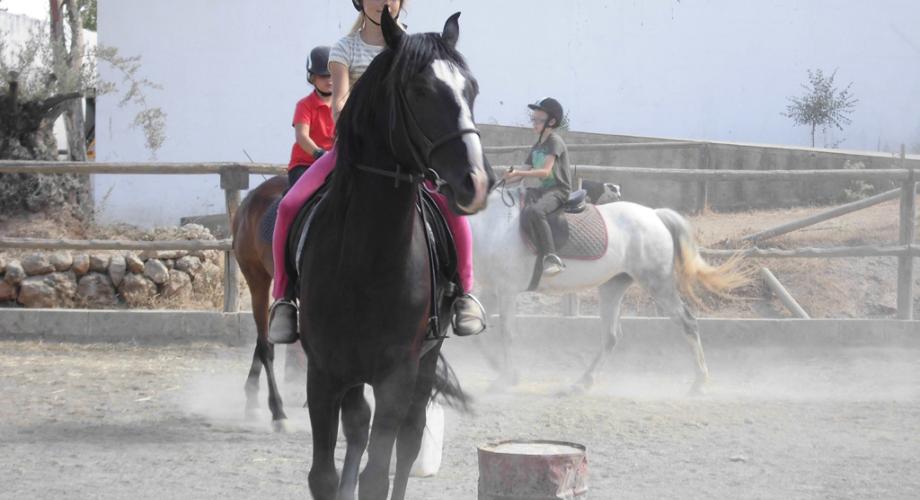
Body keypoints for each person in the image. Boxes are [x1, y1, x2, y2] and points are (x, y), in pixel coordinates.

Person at [268, 0, 486, 343]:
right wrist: (360, 129)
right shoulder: (345, 49)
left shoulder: (415, 49)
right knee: (289, 205)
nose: (384, 0)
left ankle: (465, 293)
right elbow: (339, 101)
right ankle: (284, 299)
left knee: (452, 211)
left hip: (407, 155)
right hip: (354, 149)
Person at [504, 97, 573, 276]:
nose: (533, 124)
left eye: (538, 120)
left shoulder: (555, 142)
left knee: (535, 211)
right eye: (533, 120)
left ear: (551, 122)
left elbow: (544, 172)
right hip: (544, 190)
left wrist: (520, 174)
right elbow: (524, 169)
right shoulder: (537, 145)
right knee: (516, 200)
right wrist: (505, 178)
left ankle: (551, 256)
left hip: (559, 190)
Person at [287, 46, 334, 187]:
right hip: (306, 165)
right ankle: (283, 210)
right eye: (323, 76)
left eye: (332, 75)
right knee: (293, 202)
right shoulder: (304, 105)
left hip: (335, 164)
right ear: (312, 78)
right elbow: (302, 136)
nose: (329, 80)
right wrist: (319, 154)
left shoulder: (345, 104)